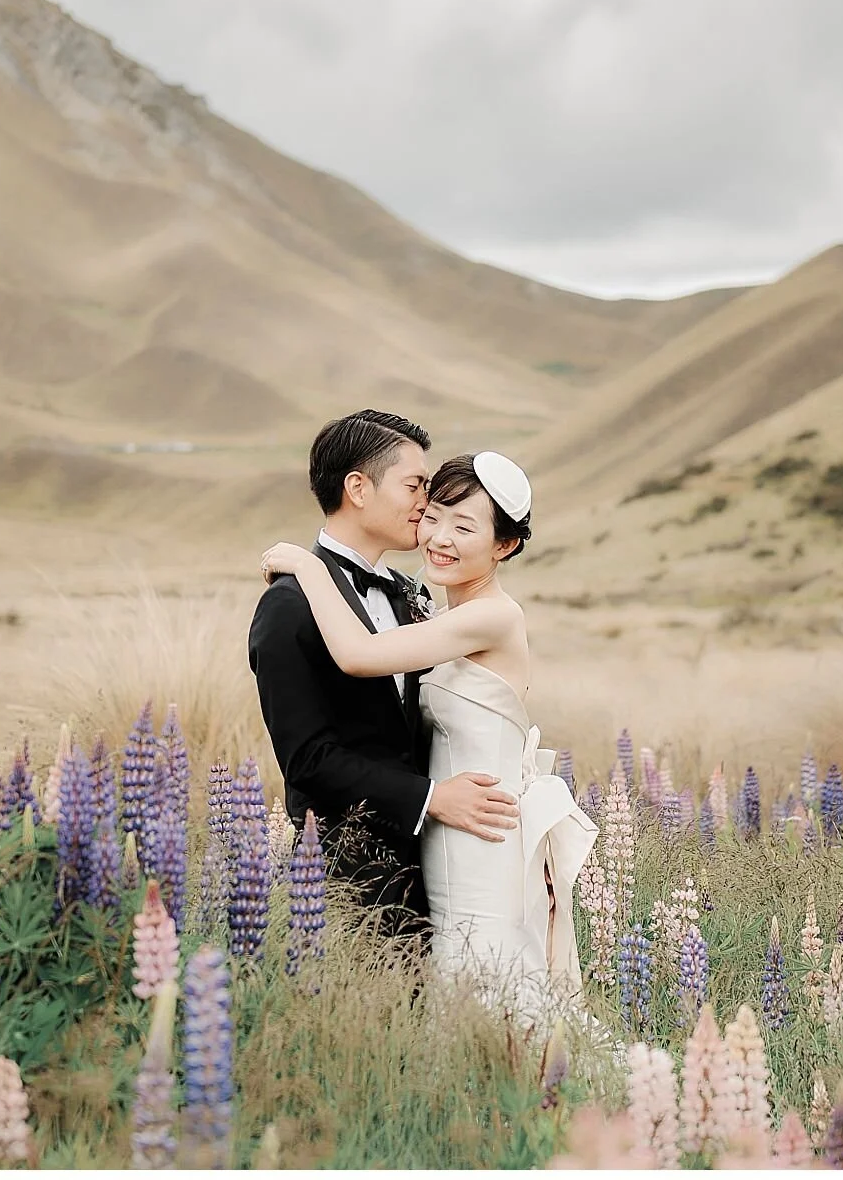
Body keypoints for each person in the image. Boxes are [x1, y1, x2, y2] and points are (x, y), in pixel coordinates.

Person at [259, 445, 597, 1017]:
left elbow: (359, 655)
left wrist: (312, 567)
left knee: (486, 978)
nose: (439, 537)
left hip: (482, 829)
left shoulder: (494, 616)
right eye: (433, 516)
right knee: (450, 980)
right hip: (440, 830)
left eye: (464, 527)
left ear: (503, 546)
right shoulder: (436, 612)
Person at [248, 411, 524, 949]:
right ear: (358, 488)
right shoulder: (289, 606)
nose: (425, 502)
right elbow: (307, 760)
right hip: (344, 874)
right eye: (414, 485)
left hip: (442, 856)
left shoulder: (409, 593)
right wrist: (429, 799)